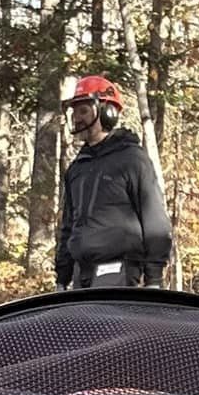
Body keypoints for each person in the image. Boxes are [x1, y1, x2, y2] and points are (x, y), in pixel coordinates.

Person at [55, 73, 173, 290]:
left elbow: (154, 219)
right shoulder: (77, 168)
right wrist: (62, 277)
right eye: (74, 112)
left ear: (107, 112)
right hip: (82, 273)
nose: (77, 118)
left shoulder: (132, 159)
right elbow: (69, 225)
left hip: (117, 270)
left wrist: (154, 279)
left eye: (83, 110)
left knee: (107, 325)